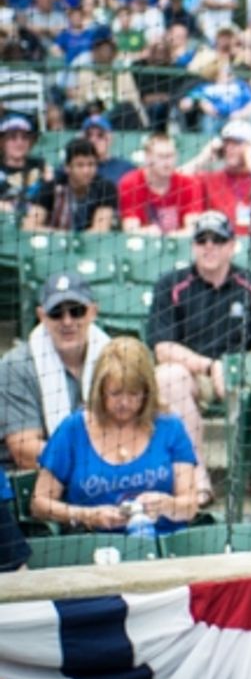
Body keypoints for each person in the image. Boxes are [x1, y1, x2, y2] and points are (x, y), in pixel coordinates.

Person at [147, 211, 251, 506]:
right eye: (202, 240)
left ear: (231, 245)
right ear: (193, 245)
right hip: (194, 376)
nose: (209, 246)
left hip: (241, 373)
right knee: (168, 376)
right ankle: (196, 477)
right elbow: (163, 348)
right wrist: (211, 366)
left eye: (218, 240)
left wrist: (234, 368)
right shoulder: (170, 285)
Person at [30, 336, 198, 534]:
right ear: (100, 390)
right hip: (95, 546)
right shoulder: (73, 429)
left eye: (134, 394)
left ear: (147, 391)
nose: (125, 403)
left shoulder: (170, 426)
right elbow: (39, 504)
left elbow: (190, 505)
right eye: (116, 393)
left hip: (164, 543)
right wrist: (87, 515)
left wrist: (167, 505)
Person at [0, 274, 110, 473]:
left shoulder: (114, 357)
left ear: (93, 312)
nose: (67, 322)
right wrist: (94, 459)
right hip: (37, 478)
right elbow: (25, 451)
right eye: (56, 312)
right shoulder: (16, 365)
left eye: (76, 311)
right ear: (41, 315)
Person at [23, 136, 118, 233]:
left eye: (91, 164)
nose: (86, 171)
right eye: (80, 165)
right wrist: (65, 237)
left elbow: (100, 230)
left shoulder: (106, 188)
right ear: (67, 168)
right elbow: (29, 225)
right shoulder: (51, 187)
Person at [118, 131, 203, 235]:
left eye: (170, 156)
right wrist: (150, 234)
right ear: (148, 157)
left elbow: (193, 229)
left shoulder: (189, 184)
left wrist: (173, 236)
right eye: (161, 157)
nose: (167, 163)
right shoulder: (130, 183)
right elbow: (131, 229)